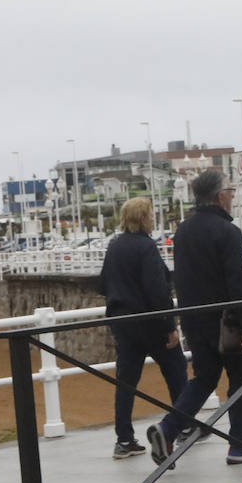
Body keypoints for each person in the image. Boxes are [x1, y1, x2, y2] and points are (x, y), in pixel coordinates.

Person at [146, 169, 242, 467]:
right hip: (226, 321)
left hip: (193, 318)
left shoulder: (183, 231)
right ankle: (240, 444)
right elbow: (237, 283)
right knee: (240, 375)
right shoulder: (228, 232)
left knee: (204, 378)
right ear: (218, 196)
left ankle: (168, 428)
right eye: (230, 190)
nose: (232, 196)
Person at [97, 197, 188, 459]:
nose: (153, 220)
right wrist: (169, 326)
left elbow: (103, 284)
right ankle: (182, 426)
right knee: (176, 371)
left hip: (122, 324)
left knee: (126, 382)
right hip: (150, 323)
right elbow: (157, 290)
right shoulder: (146, 247)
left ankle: (124, 439)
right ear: (142, 218)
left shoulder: (114, 246)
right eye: (150, 215)